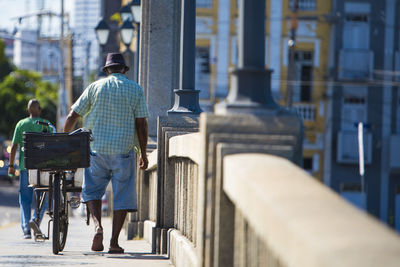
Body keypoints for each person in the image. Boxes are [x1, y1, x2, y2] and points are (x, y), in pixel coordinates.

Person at [63, 52, 149, 254]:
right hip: (123, 151)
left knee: (92, 190)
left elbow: (72, 115)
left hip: (96, 150)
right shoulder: (135, 89)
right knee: (123, 196)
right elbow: (141, 125)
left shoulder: (94, 87)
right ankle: (114, 242)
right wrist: (143, 154)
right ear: (124, 70)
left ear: (107, 70)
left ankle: (97, 227)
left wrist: (65, 140)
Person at [8, 99, 51, 239]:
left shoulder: (21, 124)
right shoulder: (46, 125)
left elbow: (14, 146)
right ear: (40, 110)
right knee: (42, 198)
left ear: (28, 111)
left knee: (25, 200)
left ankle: (26, 230)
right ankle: (35, 220)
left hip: (25, 167)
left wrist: (10, 166)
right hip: (43, 168)